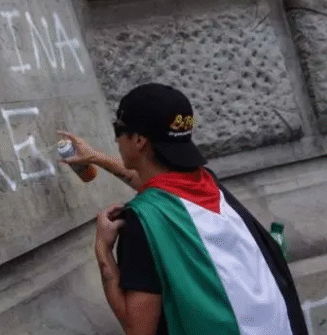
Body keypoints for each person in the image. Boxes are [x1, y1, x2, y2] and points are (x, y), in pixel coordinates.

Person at [58, 83, 307, 335]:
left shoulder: (142, 221)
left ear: (139, 139)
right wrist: (96, 158)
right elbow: (155, 183)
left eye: (118, 129)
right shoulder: (206, 182)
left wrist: (103, 250)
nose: (116, 139)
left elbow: (137, 329)